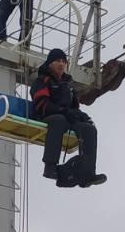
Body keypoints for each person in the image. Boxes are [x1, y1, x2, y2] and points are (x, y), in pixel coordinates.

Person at [31, 49, 106, 189]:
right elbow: (42, 104)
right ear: (50, 63)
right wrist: (63, 111)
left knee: (89, 129)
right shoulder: (42, 81)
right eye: (57, 61)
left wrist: (81, 115)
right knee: (59, 120)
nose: (61, 64)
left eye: (63, 61)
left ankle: (87, 172)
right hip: (46, 117)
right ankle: (50, 165)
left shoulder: (67, 86)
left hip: (66, 117)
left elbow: (74, 108)